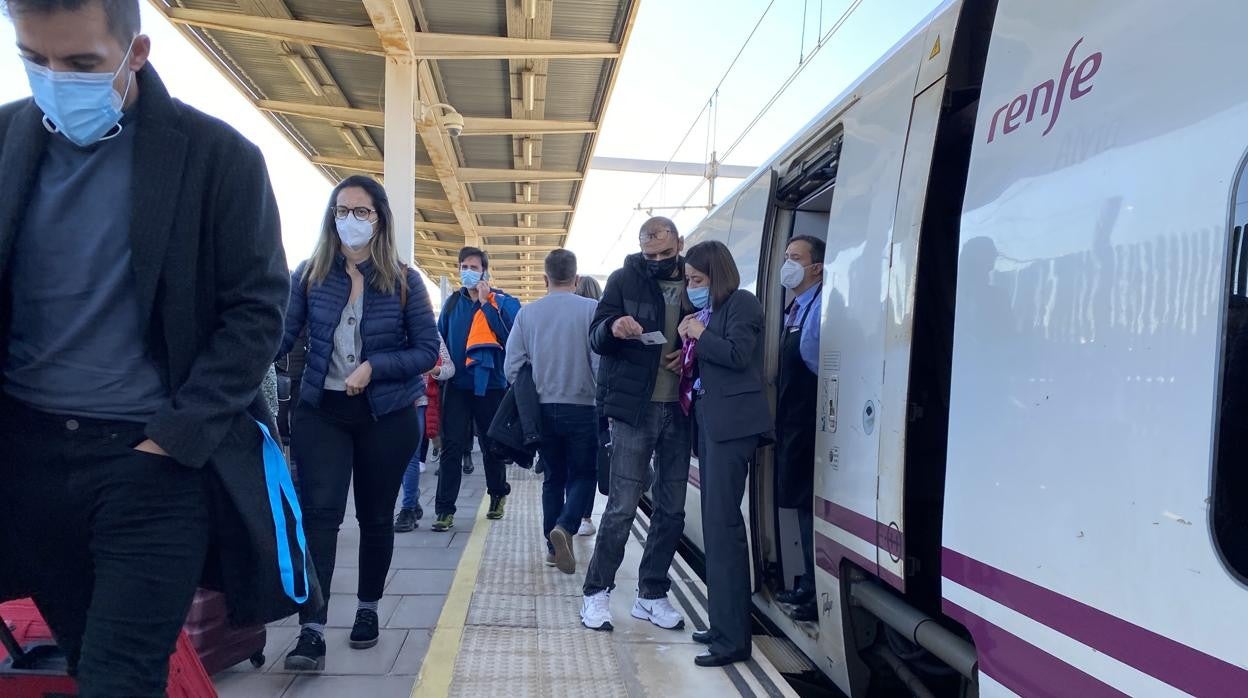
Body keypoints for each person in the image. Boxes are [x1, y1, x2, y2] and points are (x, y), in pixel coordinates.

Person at [0, 1, 307, 694]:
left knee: (121, 678)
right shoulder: (5, 142)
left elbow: (257, 311)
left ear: (135, 52)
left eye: (81, 64)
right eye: (34, 58)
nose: (55, 79)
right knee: (86, 658)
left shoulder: (219, 158)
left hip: (149, 467)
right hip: (27, 463)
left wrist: (174, 439)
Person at [279, 175, 439, 670]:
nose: (351, 219)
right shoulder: (309, 274)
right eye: (342, 210)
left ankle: (368, 609)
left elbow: (427, 351)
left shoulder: (404, 279)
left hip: (387, 414)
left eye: (362, 211)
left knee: (375, 517)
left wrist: (375, 367)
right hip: (321, 411)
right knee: (319, 517)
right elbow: (279, 337)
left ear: (380, 218)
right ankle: (311, 629)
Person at [580, 216, 691, 632]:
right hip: (634, 410)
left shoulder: (697, 278)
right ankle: (596, 592)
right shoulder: (624, 279)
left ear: (679, 242)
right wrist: (613, 326)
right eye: (651, 255)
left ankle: (652, 594)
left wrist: (690, 352)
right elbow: (595, 335)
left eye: (666, 253)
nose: (659, 261)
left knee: (672, 509)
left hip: (680, 408)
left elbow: (710, 327)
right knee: (623, 506)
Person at [678, 241, 771, 667]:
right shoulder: (713, 312)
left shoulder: (743, 304)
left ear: (718, 275)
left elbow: (737, 354)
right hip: (713, 425)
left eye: (697, 280)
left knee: (724, 526)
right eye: (688, 280)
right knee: (716, 529)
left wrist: (701, 334)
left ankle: (733, 640)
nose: (691, 287)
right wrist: (685, 356)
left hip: (732, 430)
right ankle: (721, 625)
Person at [505, 250, 599, 574]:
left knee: (553, 478)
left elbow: (511, 367)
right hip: (583, 408)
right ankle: (566, 526)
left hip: (543, 411)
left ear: (544, 279)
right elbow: (601, 363)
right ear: (577, 278)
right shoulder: (592, 310)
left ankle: (551, 547)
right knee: (585, 474)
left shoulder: (527, 314)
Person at [432, 247, 521, 531]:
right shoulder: (451, 304)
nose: (466, 271)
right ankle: (444, 510)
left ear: (484, 271)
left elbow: (509, 337)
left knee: (490, 444)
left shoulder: (501, 302)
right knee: (452, 447)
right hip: (457, 385)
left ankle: (497, 495)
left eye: (472, 266)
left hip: (491, 386)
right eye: (463, 266)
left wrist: (485, 303)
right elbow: (440, 340)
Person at [773, 235, 825, 622]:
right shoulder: (795, 309)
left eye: (796, 258)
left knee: (809, 508)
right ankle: (807, 580)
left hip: (810, 425)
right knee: (799, 506)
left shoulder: (820, 308)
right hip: (792, 423)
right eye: (786, 257)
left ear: (817, 268)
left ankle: (813, 588)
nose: (787, 264)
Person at [394, 336, 454, 532]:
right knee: (396, 459)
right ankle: (413, 498)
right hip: (389, 401)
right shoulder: (385, 325)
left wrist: (433, 370)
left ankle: (408, 508)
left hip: (418, 402)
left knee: (411, 456)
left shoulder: (430, 333)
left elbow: (449, 368)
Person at [574, 275, 604, 536]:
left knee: (565, 464)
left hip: (564, 399)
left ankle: (567, 512)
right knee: (589, 465)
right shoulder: (601, 320)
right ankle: (584, 517)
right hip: (594, 403)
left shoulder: (568, 318)